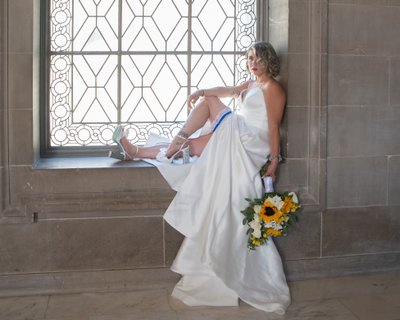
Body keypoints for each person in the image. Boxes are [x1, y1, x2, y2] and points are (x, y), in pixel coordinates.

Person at [111, 41, 290, 314]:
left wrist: (274, 162)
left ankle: (176, 140)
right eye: (250, 58)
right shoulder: (250, 84)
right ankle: (133, 151)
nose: (254, 63)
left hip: (253, 142)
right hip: (238, 134)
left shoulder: (272, 88)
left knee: (206, 108)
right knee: (194, 146)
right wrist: (201, 90)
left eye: (259, 59)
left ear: (269, 61)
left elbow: (274, 127)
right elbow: (227, 92)